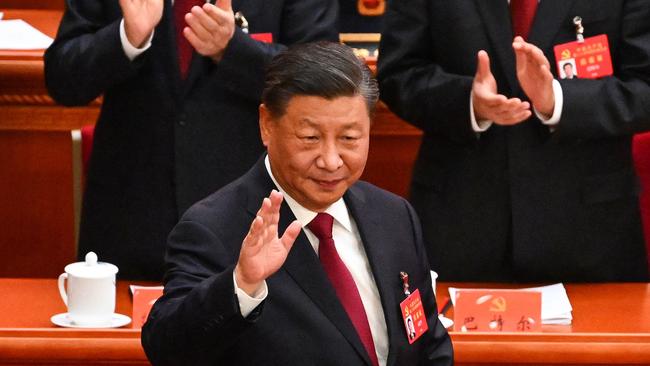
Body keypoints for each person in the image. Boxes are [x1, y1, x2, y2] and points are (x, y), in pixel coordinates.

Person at [141, 42, 453, 366]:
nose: (331, 161)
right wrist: (241, 285)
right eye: (310, 138)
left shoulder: (394, 216)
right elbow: (166, 348)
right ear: (267, 124)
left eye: (349, 139)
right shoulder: (214, 228)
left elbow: (429, 345)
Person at [44, 0, 339, 280]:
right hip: (131, 222)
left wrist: (233, 49)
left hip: (249, 222)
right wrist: (125, 39)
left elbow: (323, 79)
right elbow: (62, 77)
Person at [377, 1, 650, 282]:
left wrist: (559, 100)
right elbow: (398, 73)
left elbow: (644, 86)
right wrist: (469, 102)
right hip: (461, 224)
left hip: (589, 235)